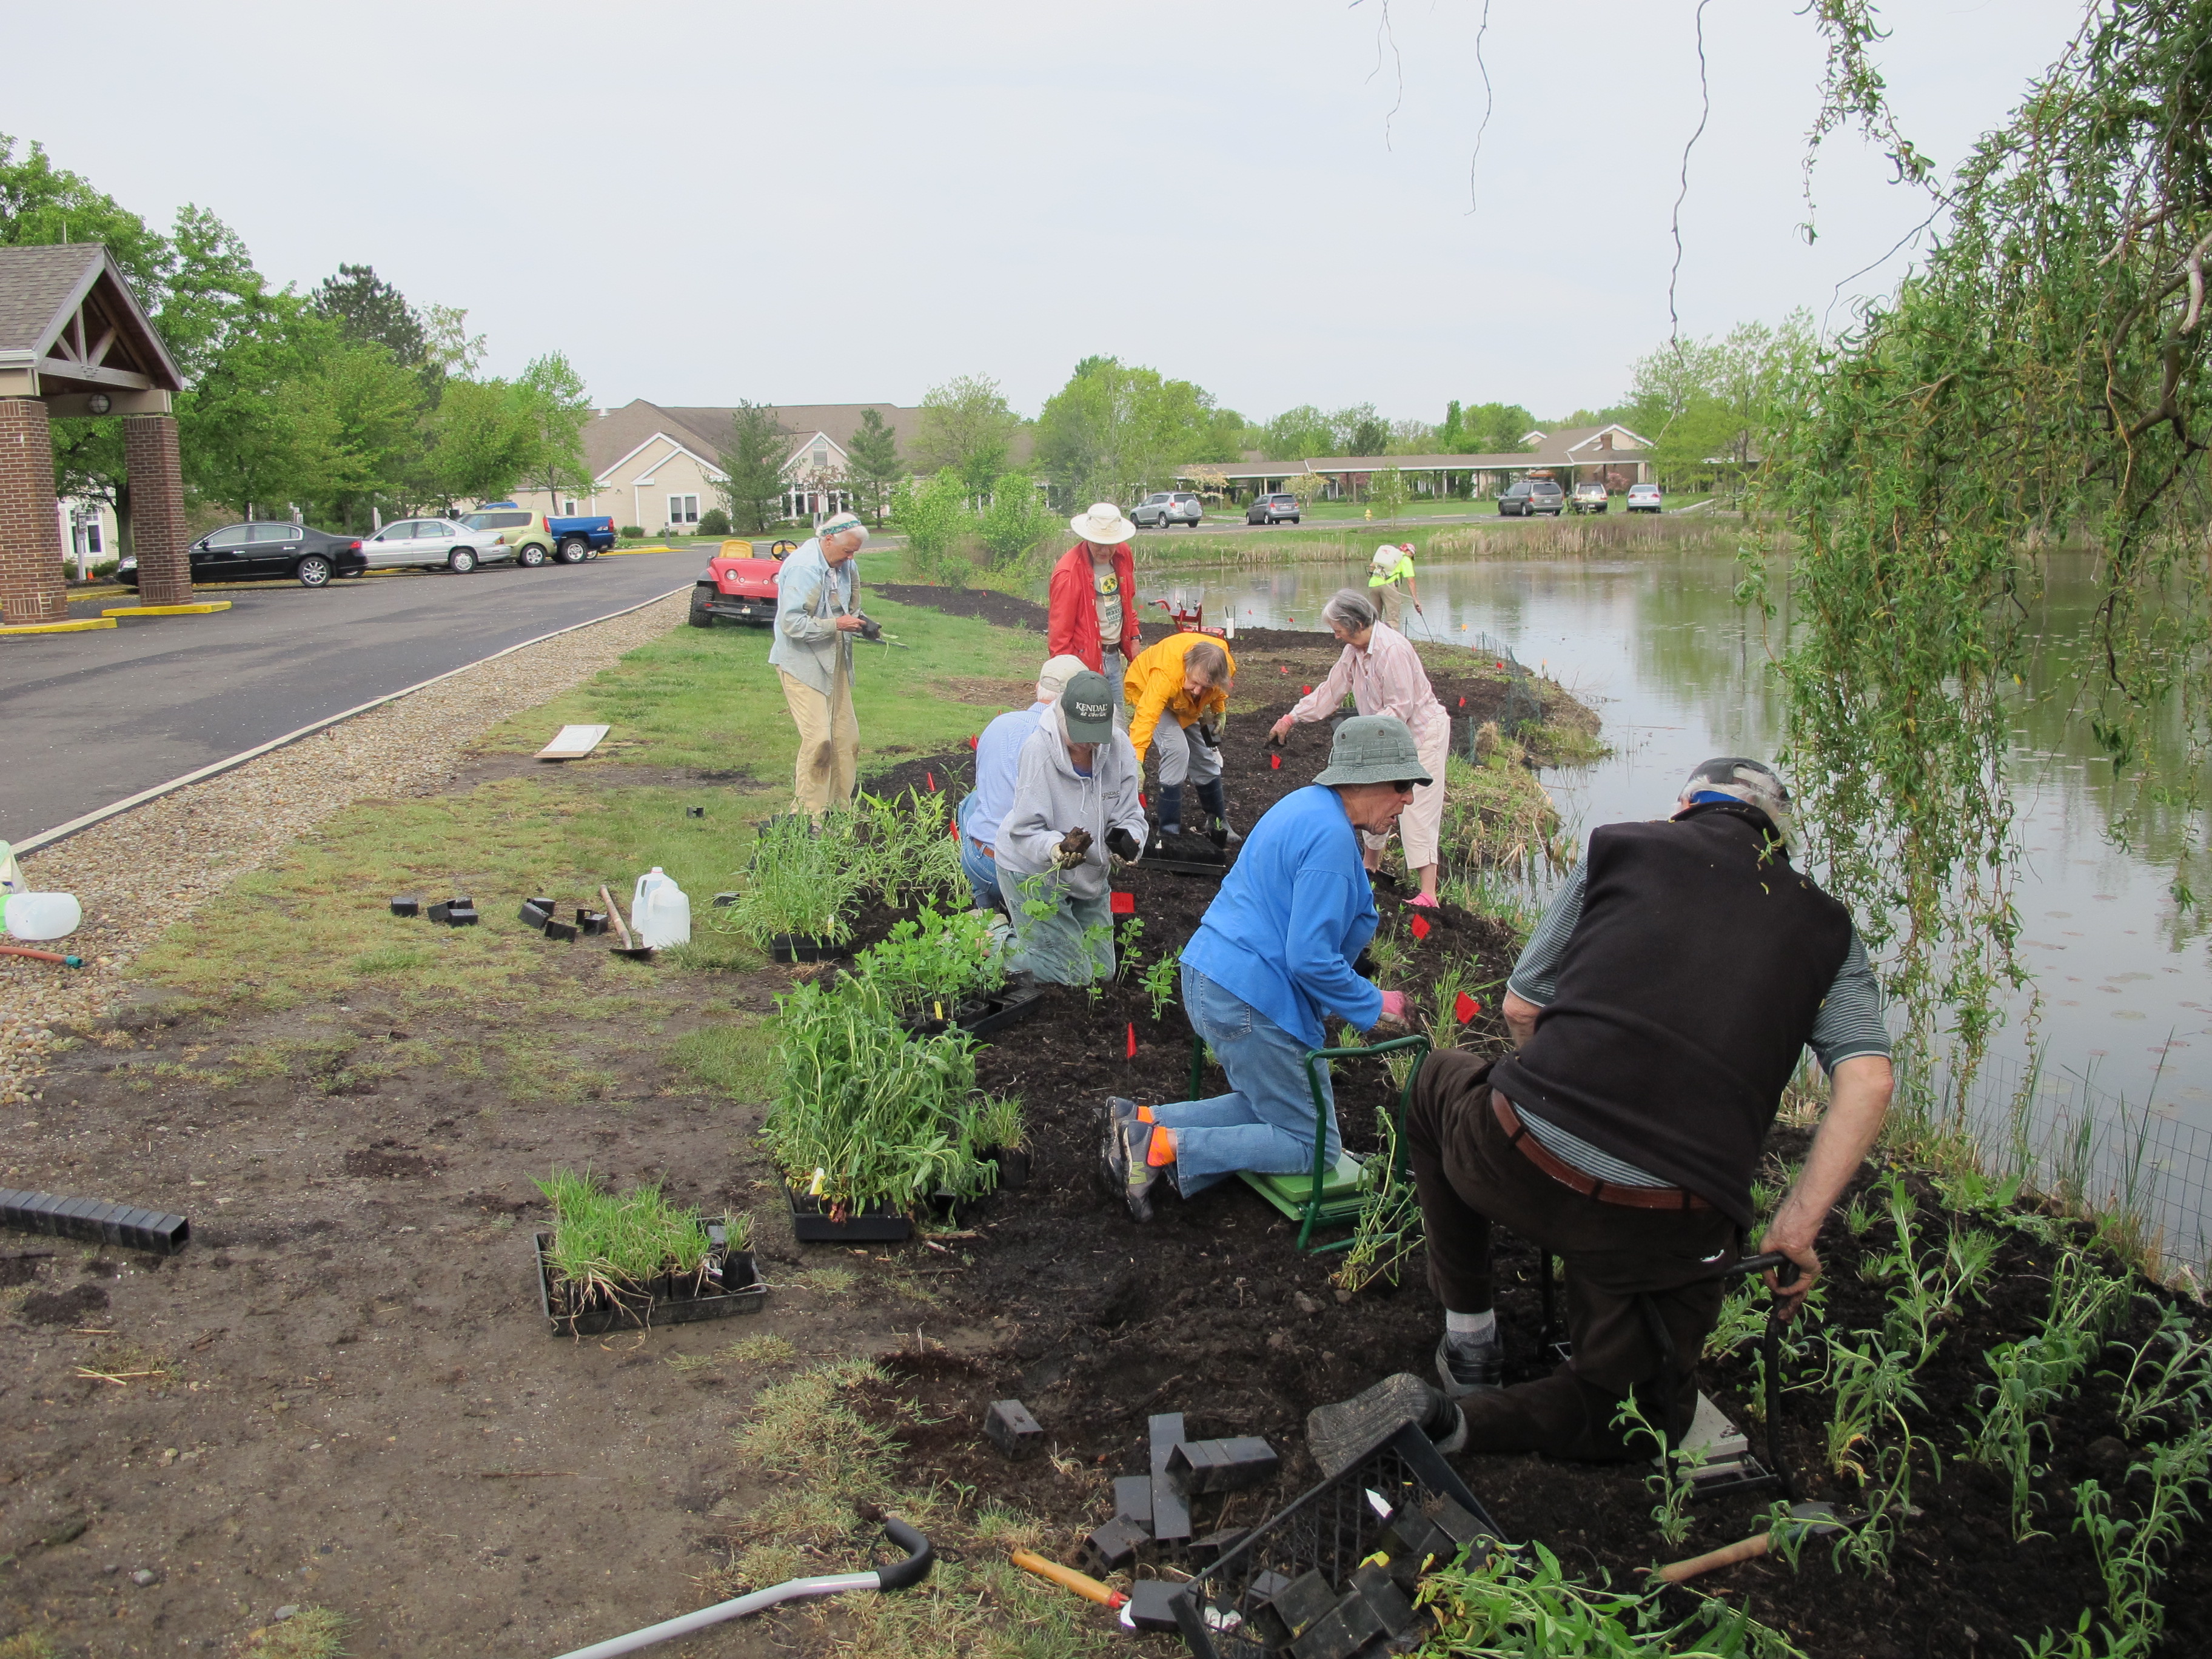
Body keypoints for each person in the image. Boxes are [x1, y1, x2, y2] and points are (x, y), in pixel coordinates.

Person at [1400, 757, 1893, 1461]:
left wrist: (1555, 1105)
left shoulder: (1620, 845)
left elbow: (1520, 1004)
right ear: (1779, 841)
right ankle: (1469, 1427)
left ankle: (1471, 1338)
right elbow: (1869, 1080)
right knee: (1642, 1410)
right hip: (1669, 1220)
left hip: (1514, 1154)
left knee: (1435, 1084)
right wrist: (1796, 1223)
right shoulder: (1827, 925)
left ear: (1686, 805)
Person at [1101, 716, 1426, 1222]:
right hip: (1251, 997)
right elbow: (1310, 958)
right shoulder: (1332, 842)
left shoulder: (1307, 807)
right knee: (1312, 1145)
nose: (1408, 799)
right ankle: (1158, 1149)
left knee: (1265, 1105)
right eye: (1402, 785)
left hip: (1213, 975)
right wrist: (1374, 1003)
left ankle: (1140, 1120)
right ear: (1367, 780)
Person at [1269, 589, 1450, 907]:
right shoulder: (1354, 651)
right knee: (1374, 794)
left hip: (1421, 733)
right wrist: (1291, 718)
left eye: (1337, 629)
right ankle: (1371, 865)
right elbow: (1330, 691)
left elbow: (1399, 708)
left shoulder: (1392, 650)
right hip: (1384, 735)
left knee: (1416, 804)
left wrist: (1360, 735)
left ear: (1354, 623)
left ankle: (1428, 893)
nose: (1336, 635)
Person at [993, 670, 1149, 985]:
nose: (1087, 746)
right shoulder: (1038, 750)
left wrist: (1130, 841)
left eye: (1096, 736)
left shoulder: (1119, 748)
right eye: (1080, 734)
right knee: (1071, 974)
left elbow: (1131, 815)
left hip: (1088, 876)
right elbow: (1025, 830)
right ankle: (987, 941)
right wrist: (1056, 849)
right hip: (1033, 871)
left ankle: (1041, 945)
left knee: (1102, 973)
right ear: (1062, 716)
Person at [957, 654, 1091, 912]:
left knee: (972, 803)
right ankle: (1003, 927)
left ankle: (986, 909)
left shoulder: (1000, 723)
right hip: (1038, 874)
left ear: (1037, 687)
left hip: (982, 863)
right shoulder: (1073, 742)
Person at [767, 511, 870, 817]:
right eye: (847, 551)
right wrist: (837, 624)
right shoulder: (803, 567)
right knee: (820, 742)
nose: (850, 558)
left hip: (834, 657)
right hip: (802, 662)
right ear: (827, 540)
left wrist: (863, 622)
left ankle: (839, 810)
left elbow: (851, 606)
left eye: (854, 552)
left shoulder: (845, 563)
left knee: (846, 739)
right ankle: (807, 817)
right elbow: (792, 625)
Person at [1123, 632, 1238, 846]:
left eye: (1205, 687)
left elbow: (1217, 691)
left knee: (1204, 756)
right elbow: (1147, 716)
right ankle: (1169, 830)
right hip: (1145, 687)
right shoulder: (1165, 672)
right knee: (1177, 749)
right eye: (1195, 683)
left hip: (1182, 700)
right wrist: (1136, 759)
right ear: (1187, 666)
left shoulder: (1223, 665)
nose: (1198, 691)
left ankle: (1217, 821)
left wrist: (1219, 711)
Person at [1048, 502, 1143, 709]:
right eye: (1098, 543)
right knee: (1090, 729)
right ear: (1087, 537)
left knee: (1117, 727)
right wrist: (1069, 676)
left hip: (1113, 656)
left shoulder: (1123, 555)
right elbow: (1059, 637)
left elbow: (1128, 600)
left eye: (1111, 543)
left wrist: (1134, 636)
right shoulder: (1068, 573)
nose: (1105, 550)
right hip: (1085, 661)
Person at [1367, 541, 1418, 631]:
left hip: (1373, 584)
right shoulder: (1405, 559)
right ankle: (1392, 641)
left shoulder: (1387, 556)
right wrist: (1415, 600)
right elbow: (1411, 581)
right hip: (1389, 586)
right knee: (1392, 618)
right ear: (1410, 553)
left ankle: (1372, 640)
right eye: (1412, 555)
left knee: (1374, 617)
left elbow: (1371, 566)